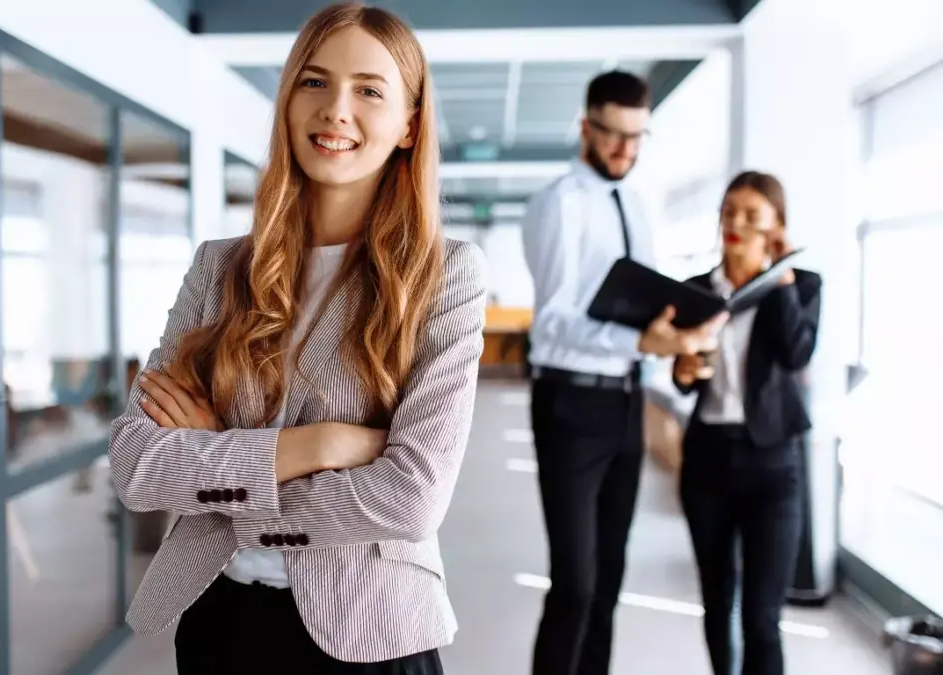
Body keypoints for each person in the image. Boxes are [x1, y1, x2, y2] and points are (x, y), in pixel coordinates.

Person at [108, 4, 487, 673]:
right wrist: (322, 445)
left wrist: (221, 469)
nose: (336, 110)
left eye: (369, 89)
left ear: (408, 123)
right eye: (314, 82)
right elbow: (137, 466)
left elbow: (410, 497)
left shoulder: (446, 274)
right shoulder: (219, 268)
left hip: (371, 630)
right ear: (287, 103)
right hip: (220, 619)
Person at [521, 70, 727, 675]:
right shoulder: (560, 202)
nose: (625, 151)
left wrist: (672, 342)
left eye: (637, 138)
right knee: (576, 583)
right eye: (612, 135)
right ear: (586, 127)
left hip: (626, 400)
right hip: (570, 405)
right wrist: (640, 337)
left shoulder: (639, 200)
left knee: (609, 580)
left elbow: (639, 303)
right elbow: (552, 322)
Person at [674, 171, 822, 675]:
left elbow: (796, 352)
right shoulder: (695, 291)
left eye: (752, 215)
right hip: (708, 460)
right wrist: (686, 367)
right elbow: (684, 379)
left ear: (777, 226)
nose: (735, 223)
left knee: (762, 616)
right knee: (717, 604)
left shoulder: (802, 285)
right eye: (729, 211)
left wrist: (779, 276)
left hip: (774, 464)